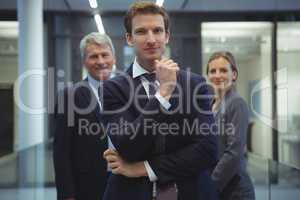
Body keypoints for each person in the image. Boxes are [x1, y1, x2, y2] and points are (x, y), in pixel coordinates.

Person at [101, 2, 217, 200]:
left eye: (157, 30)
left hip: (190, 192)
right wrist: (162, 94)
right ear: (129, 38)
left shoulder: (195, 84)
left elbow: (208, 150)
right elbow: (127, 146)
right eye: (141, 32)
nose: (151, 39)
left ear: (167, 36)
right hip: (131, 193)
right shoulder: (114, 89)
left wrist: (143, 167)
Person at [53, 32, 116, 200]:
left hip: (125, 182)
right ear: (84, 62)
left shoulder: (128, 92)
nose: (101, 61)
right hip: (87, 185)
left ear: (113, 58)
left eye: (105, 55)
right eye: (93, 56)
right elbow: (61, 151)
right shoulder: (69, 96)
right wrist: (67, 194)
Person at [206, 51, 255, 200]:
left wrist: (210, 184)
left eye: (223, 70)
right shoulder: (213, 104)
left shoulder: (236, 103)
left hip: (235, 191)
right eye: (212, 71)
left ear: (234, 74)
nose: (217, 75)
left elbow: (233, 152)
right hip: (222, 188)